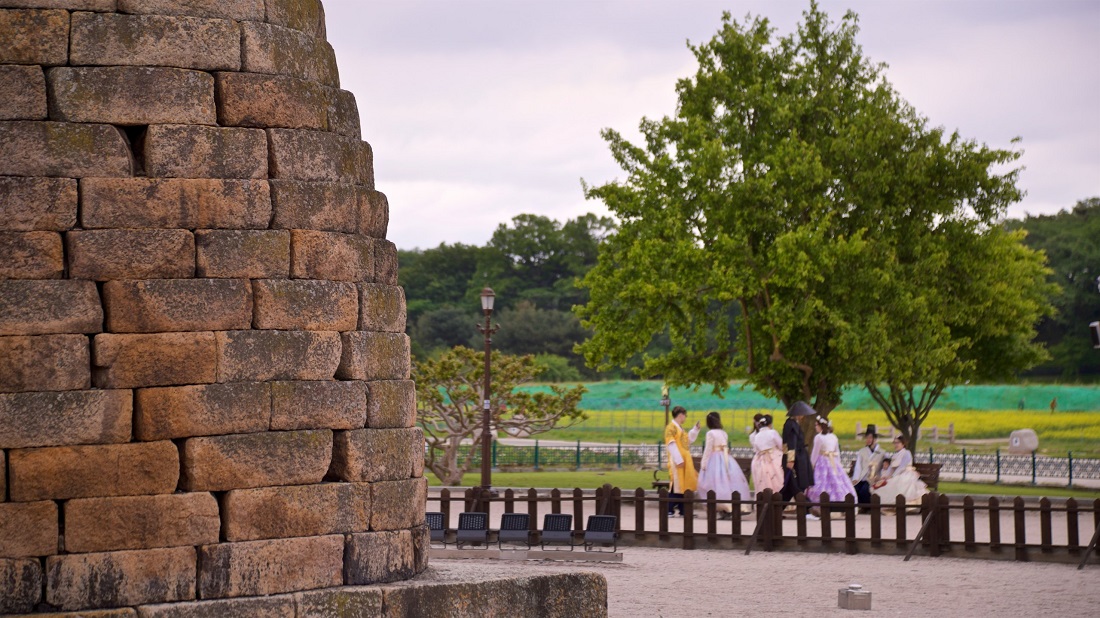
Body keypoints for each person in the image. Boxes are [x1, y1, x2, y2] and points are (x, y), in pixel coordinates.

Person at [697, 412, 752, 517]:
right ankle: (729, 507)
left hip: (714, 458)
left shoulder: (710, 433)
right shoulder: (723, 433)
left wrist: (703, 463)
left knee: (714, 483)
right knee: (728, 481)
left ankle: (720, 507)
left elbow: (708, 449)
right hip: (725, 458)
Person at [806, 415, 857, 509]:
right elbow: (837, 452)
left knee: (821, 482)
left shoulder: (818, 437)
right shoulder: (834, 437)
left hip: (822, 462)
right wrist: (839, 464)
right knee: (837, 481)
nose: (815, 427)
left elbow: (815, 454)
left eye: (816, 425)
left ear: (821, 425)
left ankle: (819, 506)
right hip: (833, 461)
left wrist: (811, 466)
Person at [872, 435, 929, 506]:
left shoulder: (906, 453)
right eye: (894, 443)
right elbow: (891, 468)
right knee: (884, 484)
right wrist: (886, 476)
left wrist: (892, 476)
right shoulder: (895, 455)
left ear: (903, 443)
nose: (895, 445)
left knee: (898, 483)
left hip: (905, 473)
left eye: (897, 443)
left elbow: (902, 466)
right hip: (896, 474)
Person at [664, 406, 700, 517]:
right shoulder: (671, 428)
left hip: (684, 460)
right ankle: (670, 509)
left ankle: (683, 510)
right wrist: (678, 459)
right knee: (677, 484)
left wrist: (695, 430)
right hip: (677, 461)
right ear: (680, 415)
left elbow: (687, 441)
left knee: (683, 484)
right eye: (685, 415)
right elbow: (671, 444)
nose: (685, 418)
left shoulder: (680, 428)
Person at [781, 401, 815, 502]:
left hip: (798, 456)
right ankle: (806, 508)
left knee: (791, 487)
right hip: (796, 459)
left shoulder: (793, 424)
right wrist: (790, 460)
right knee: (796, 486)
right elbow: (791, 443)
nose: (803, 416)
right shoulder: (791, 425)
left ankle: (777, 509)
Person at [850, 424, 886, 507]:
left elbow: (885, 466)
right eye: (867, 438)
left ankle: (868, 507)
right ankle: (861, 506)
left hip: (874, 478)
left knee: (864, 490)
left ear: (875, 439)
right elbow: (858, 466)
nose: (868, 440)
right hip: (862, 477)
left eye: (870, 438)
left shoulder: (882, 452)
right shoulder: (862, 451)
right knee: (855, 489)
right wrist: (855, 478)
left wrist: (882, 476)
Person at [750, 414, 784, 498]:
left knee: (763, 480)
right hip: (774, 457)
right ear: (770, 424)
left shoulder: (757, 436)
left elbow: (756, 449)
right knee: (777, 478)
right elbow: (781, 445)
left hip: (761, 460)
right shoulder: (772, 432)